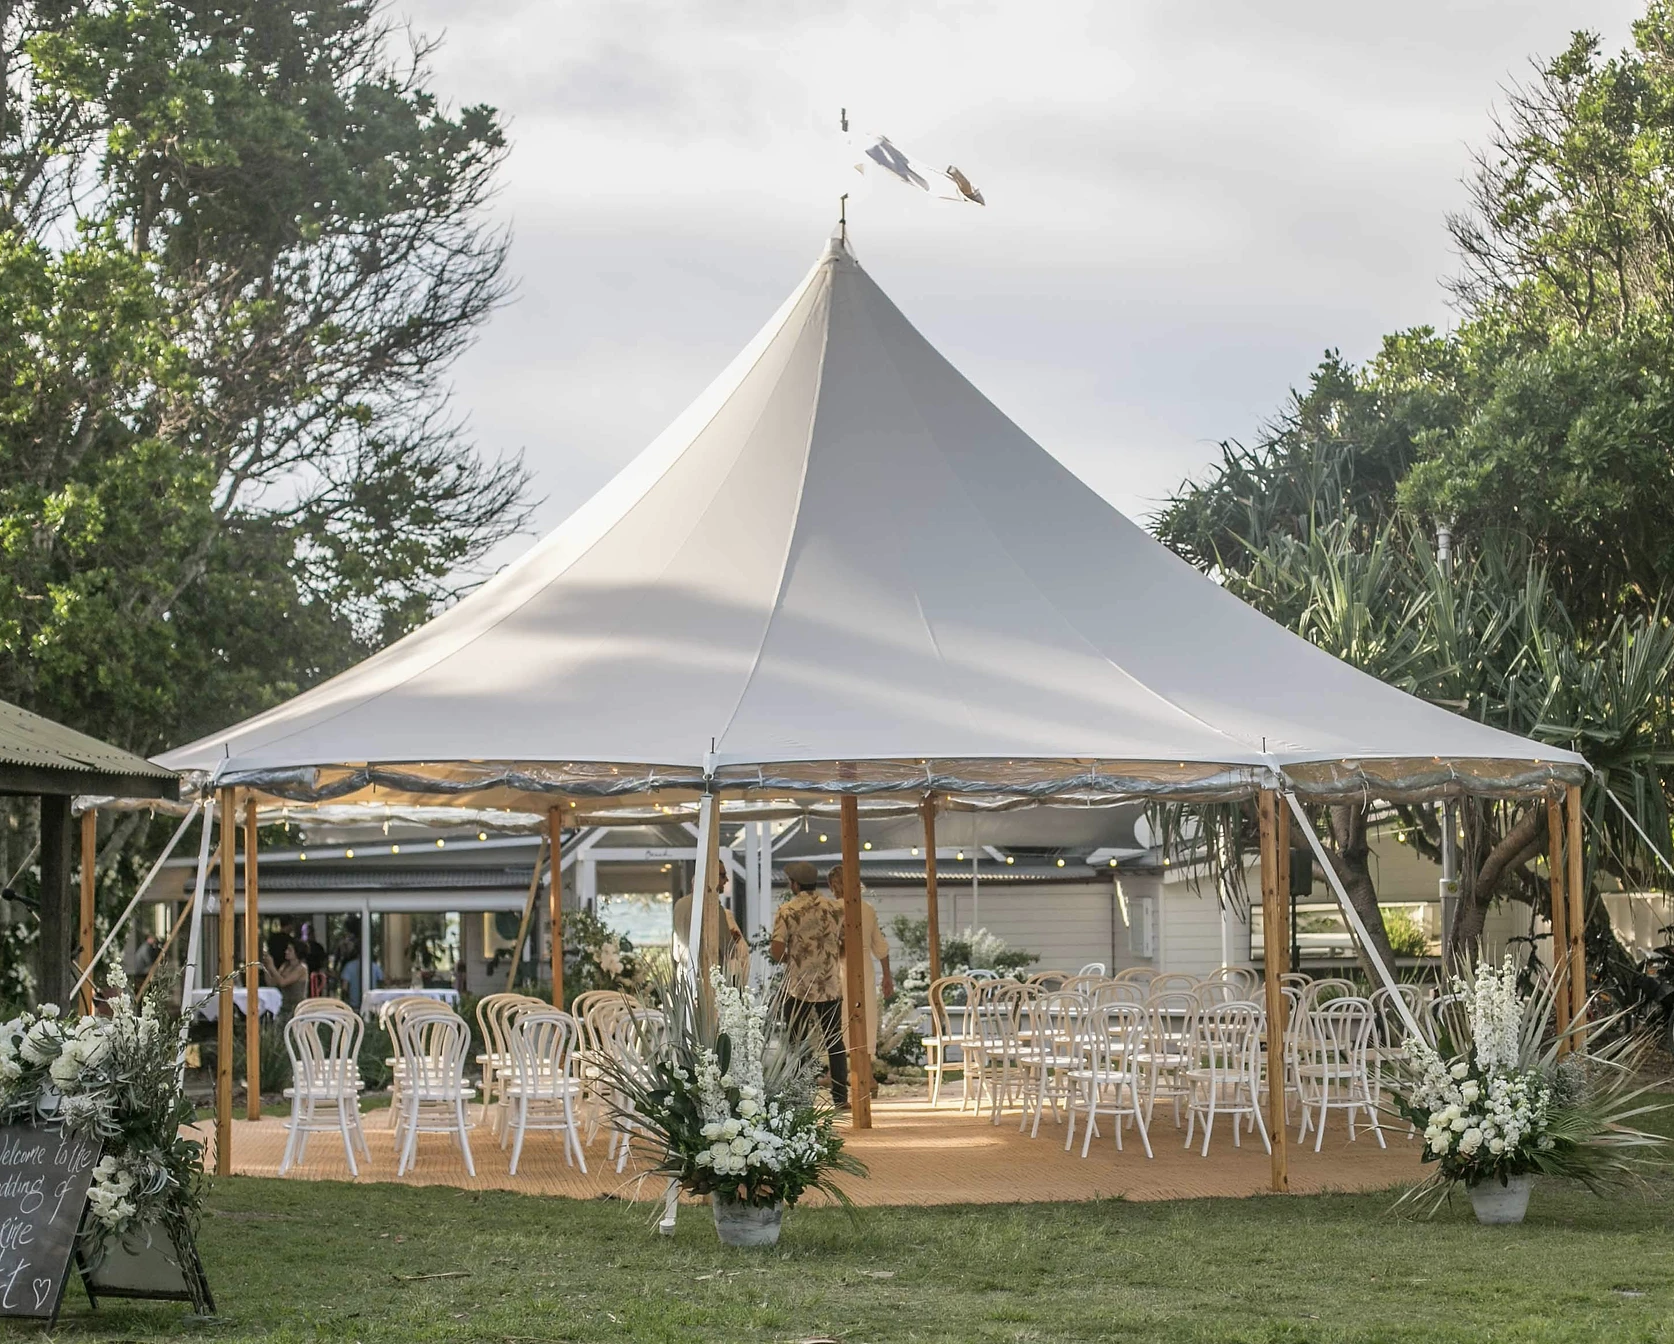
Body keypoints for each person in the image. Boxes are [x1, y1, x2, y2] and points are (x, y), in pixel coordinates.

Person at [770, 860, 847, 1108]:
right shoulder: (835, 908)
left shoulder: (787, 911)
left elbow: (776, 950)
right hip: (830, 984)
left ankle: (803, 1097)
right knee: (834, 1041)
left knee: (797, 1041)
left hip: (799, 987)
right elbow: (844, 944)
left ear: (794, 884)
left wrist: (796, 962)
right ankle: (840, 1098)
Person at [828, 863, 893, 1068]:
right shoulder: (867, 909)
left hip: (837, 968)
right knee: (865, 1016)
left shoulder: (831, 909)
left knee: (837, 1020)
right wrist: (887, 976)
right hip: (864, 968)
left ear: (833, 885)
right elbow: (880, 946)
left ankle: (837, 1070)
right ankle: (867, 1072)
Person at [672, 862, 750, 980]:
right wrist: (735, 939)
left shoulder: (679, 905)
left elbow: (676, 946)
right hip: (708, 978)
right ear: (711, 877)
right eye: (722, 875)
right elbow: (728, 949)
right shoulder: (712, 907)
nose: (727, 880)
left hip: (684, 976)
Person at [261, 936, 309, 1021]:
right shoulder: (285, 966)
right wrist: (266, 968)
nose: (286, 952)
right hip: (283, 1004)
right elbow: (272, 983)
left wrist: (272, 967)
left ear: (297, 952)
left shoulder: (301, 968)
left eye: (290, 950)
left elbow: (283, 982)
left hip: (296, 1007)